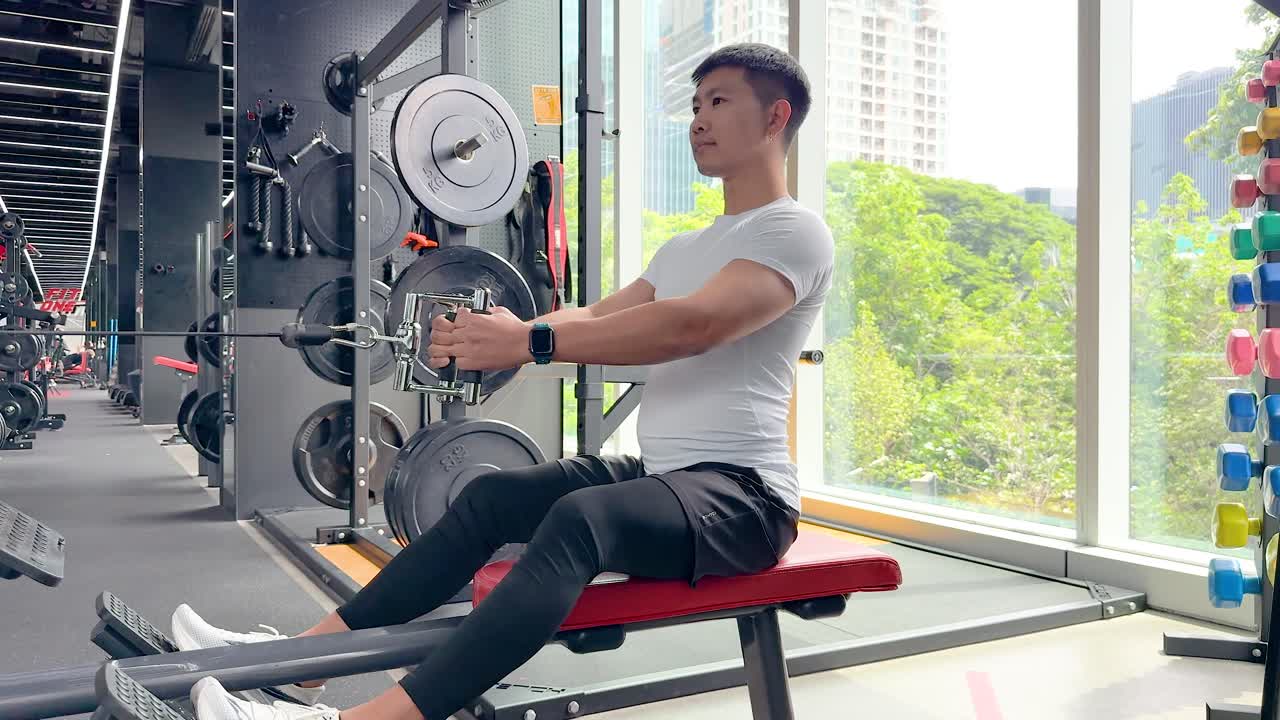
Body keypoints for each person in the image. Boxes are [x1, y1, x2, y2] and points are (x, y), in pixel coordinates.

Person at [182, 42, 833, 720]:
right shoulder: (684, 249)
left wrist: (530, 342)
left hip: (746, 499)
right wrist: (505, 335)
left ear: (775, 117)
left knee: (582, 521)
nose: (698, 119)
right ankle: (302, 665)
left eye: (719, 102)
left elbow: (693, 326)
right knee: (492, 498)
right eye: (695, 104)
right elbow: (596, 317)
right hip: (665, 474)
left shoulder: (795, 233)